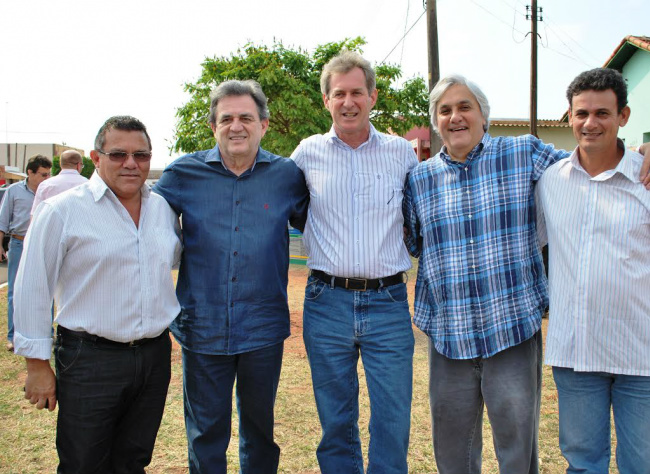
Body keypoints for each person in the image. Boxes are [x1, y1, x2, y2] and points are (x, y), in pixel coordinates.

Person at [402, 74, 650, 474]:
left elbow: (591, 163)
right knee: (452, 451)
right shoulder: (419, 179)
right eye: (445, 110)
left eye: (465, 107)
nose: (455, 117)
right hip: (449, 334)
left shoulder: (523, 154)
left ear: (484, 117)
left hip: (512, 330)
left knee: (517, 451)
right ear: (435, 121)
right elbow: (415, 243)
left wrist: (647, 149)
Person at [536, 67, 650, 474]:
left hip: (643, 359)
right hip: (576, 356)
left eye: (602, 113)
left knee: (645, 467)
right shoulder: (550, 182)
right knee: (583, 465)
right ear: (569, 117)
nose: (590, 123)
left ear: (623, 116)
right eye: (581, 114)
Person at [153, 79, 308, 474]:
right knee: (205, 433)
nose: (236, 126)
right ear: (213, 127)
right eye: (226, 118)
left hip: (262, 328)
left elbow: (323, 224)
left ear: (264, 125)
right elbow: (136, 219)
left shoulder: (288, 175)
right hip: (202, 328)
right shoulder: (182, 173)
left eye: (246, 117)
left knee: (259, 432)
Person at [12, 115, 182, 473]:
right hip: (90, 359)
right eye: (118, 154)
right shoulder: (62, 210)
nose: (132, 163)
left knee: (134, 459)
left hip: (153, 358)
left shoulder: (162, 210)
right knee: (83, 462)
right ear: (95, 157)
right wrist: (37, 365)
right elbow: (32, 287)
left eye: (142, 155)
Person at [291, 51, 417, 474]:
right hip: (326, 301)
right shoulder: (306, 154)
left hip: (388, 301)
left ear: (373, 96)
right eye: (339, 93)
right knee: (336, 418)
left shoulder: (401, 153)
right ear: (326, 99)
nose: (349, 101)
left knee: (393, 417)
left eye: (357, 92)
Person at [0, 154, 51, 351]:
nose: (46, 179)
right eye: (43, 174)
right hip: (19, 244)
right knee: (15, 291)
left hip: (41, 244)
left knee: (46, 290)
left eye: (49, 175)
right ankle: (13, 336)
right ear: (30, 172)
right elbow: (3, 220)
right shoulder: (13, 191)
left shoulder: (49, 191)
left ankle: (47, 334)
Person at [30, 149, 88, 216]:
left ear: (61, 164)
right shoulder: (88, 184)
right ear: (78, 165)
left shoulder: (45, 185)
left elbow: (35, 214)